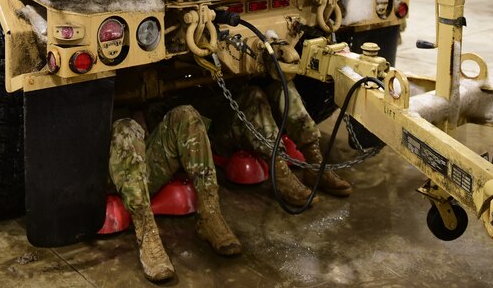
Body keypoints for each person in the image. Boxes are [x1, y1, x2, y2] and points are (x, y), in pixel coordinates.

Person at [109, 104, 242, 282]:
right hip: (106, 168)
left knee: (187, 115)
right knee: (126, 128)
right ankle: (147, 234)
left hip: (141, 160)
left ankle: (210, 215)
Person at [212, 79, 353, 205]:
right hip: (216, 126)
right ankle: (281, 174)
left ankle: (315, 163)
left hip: (241, 105)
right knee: (254, 95)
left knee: (282, 86)